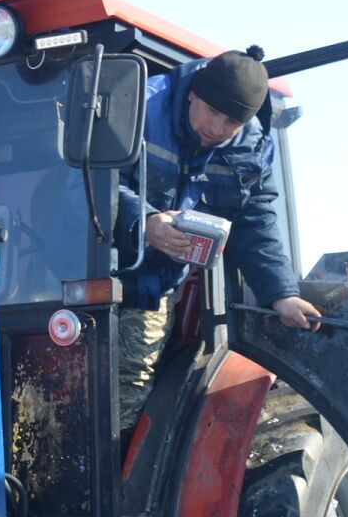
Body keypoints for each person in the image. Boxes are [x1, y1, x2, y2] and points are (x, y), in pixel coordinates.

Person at [113, 48, 323, 432]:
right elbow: (89, 183)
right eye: (212, 111)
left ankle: (114, 485)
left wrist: (281, 293)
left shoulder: (251, 149)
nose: (217, 128)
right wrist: (144, 222)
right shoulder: (137, 108)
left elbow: (254, 219)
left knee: (129, 382)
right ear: (193, 91)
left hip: (151, 286)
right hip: (89, 268)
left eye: (232, 121)